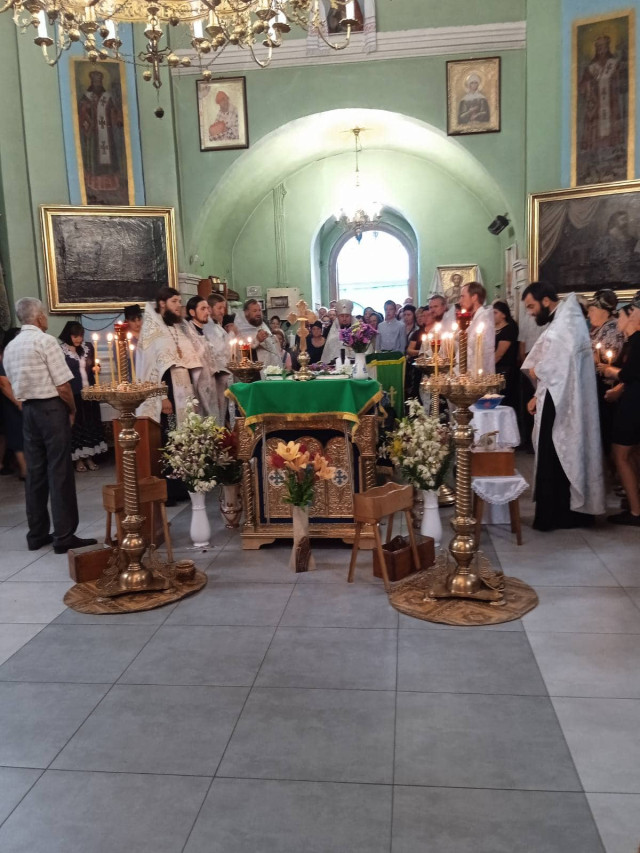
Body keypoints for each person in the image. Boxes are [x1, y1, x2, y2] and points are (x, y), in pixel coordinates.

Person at [3, 297, 97, 554]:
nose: (45, 317)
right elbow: (63, 385)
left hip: (28, 411)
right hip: (51, 409)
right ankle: (64, 536)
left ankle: (36, 534)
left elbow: (11, 381)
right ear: (39, 317)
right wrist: (72, 409)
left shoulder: (11, 346)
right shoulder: (45, 342)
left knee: (35, 472)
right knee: (59, 470)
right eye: (44, 313)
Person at [522, 282, 605, 530]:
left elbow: (556, 364)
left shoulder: (565, 324)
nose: (530, 313)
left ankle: (560, 515)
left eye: (531, 306)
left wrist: (537, 370)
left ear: (546, 301)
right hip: (559, 396)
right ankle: (560, 512)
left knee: (557, 452)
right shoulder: (565, 320)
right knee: (554, 453)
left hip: (563, 403)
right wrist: (538, 391)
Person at [599, 297, 640, 525]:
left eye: (623, 314)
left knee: (620, 454)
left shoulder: (638, 340)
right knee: (630, 453)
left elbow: (630, 374)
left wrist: (610, 372)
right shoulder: (632, 341)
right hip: (631, 399)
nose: (619, 319)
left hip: (634, 403)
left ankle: (635, 511)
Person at [59, 321, 107, 473]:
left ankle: (90, 457)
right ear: (68, 335)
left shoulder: (88, 347)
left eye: (80, 336)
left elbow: (94, 366)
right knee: (77, 426)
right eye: (75, 336)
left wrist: (96, 368)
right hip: (74, 394)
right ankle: (78, 459)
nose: (78, 339)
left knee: (90, 424)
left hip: (90, 393)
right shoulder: (61, 351)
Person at [77, 68, 127, 205]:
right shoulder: (87, 97)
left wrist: (117, 118)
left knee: (109, 156)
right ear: (91, 81)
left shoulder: (107, 96)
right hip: (94, 133)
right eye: (95, 80)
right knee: (95, 157)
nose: (97, 83)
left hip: (107, 133)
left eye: (99, 80)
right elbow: (81, 112)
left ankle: (111, 184)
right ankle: (95, 184)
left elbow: (114, 110)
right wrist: (87, 110)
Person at [587, 289, 625, 454]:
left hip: (608, 386)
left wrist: (593, 357)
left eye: (592, 310)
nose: (589, 314)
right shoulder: (598, 328)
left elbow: (609, 359)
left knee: (606, 428)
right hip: (597, 384)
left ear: (603, 310)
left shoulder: (613, 329)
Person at [0, 328, 27, 480]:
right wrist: (17, 402)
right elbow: (3, 383)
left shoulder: (19, 354)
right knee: (17, 434)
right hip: (12, 401)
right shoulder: (6, 355)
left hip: (23, 399)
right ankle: (25, 471)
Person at [201, 292, 232, 424]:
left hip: (224, 375)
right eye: (219, 308)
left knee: (222, 410)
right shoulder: (206, 327)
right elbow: (215, 351)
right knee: (215, 411)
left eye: (223, 308)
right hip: (215, 375)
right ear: (210, 308)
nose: (222, 311)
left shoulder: (217, 326)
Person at [233, 299, 281, 370]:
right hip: (254, 371)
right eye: (255, 311)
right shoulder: (240, 329)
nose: (258, 313)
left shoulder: (262, 325)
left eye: (259, 310)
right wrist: (257, 340)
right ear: (246, 312)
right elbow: (241, 352)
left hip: (271, 368)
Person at [459, 282, 495, 374]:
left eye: (463, 296)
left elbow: (483, 350)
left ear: (474, 297)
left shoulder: (484, 318)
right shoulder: (473, 318)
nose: (460, 301)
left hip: (479, 374)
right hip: (468, 373)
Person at [493, 300, 519, 409]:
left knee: (503, 401)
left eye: (495, 313)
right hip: (495, 369)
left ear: (503, 315)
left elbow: (499, 354)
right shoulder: (493, 329)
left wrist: (486, 366)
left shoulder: (508, 329)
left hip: (505, 370)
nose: (492, 316)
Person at [323, 298, 355, 363]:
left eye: (347, 316)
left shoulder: (358, 332)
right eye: (342, 316)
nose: (344, 319)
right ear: (338, 317)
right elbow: (328, 357)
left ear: (351, 316)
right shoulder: (332, 333)